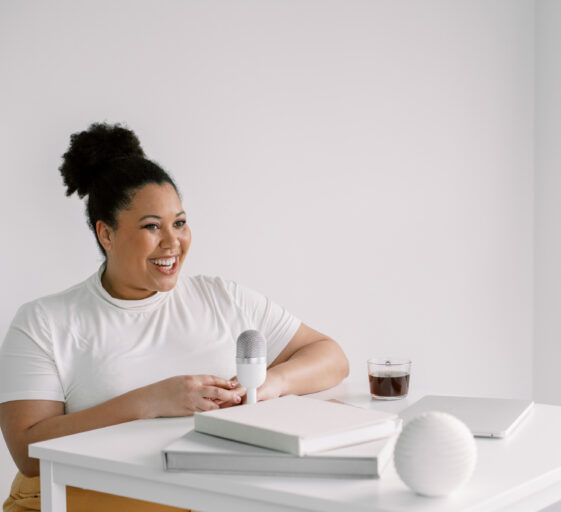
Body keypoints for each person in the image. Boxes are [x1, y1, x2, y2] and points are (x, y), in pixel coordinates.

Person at [0, 123, 350, 512]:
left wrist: (271, 383)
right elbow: (27, 451)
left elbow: (330, 357)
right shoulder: (44, 321)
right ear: (106, 234)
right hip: (82, 501)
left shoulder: (220, 297)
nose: (173, 242)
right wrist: (150, 402)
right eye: (152, 226)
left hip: (201, 498)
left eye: (179, 223)